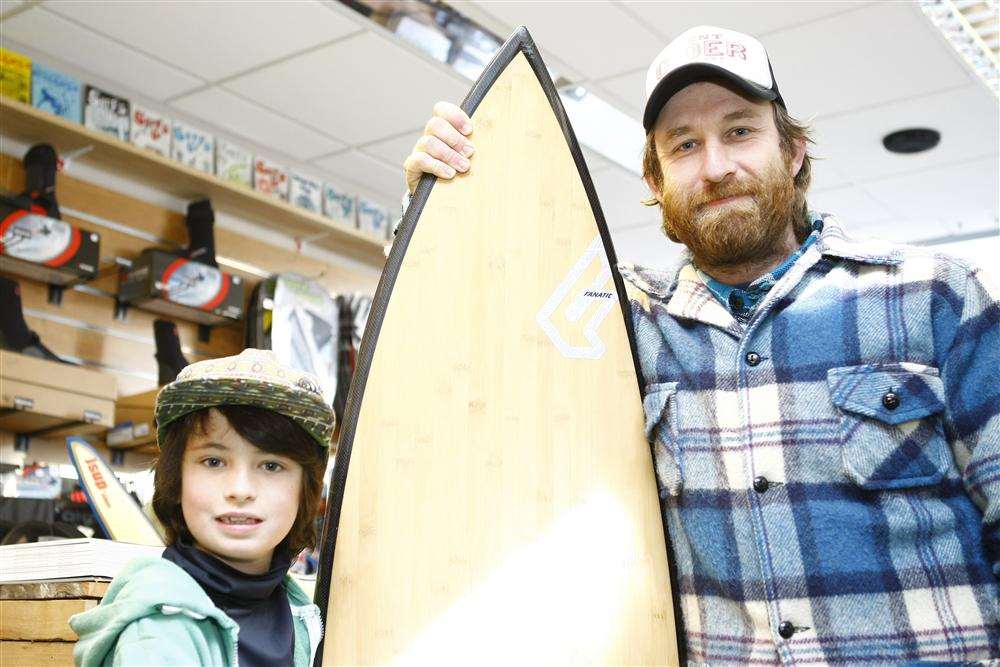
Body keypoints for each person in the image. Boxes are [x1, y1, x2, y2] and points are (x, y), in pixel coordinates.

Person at [403, 24, 999, 665]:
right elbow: (466, 343)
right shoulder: (619, 326)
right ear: (655, 180)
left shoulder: (934, 294)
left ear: (793, 151)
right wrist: (439, 210)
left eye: (740, 131)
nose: (715, 166)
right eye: (684, 145)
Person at [70, 348, 334, 666]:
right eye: (213, 461)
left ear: (304, 490)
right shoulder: (159, 631)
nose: (240, 490)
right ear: (177, 479)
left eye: (271, 466)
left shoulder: (297, 610)